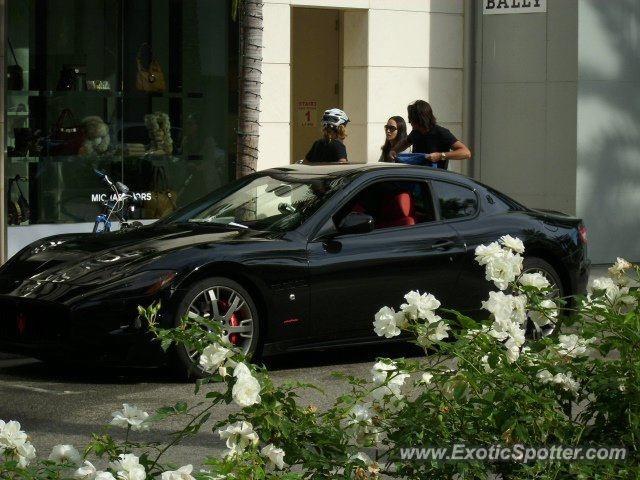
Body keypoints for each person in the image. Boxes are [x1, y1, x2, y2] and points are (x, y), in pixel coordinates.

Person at [390, 100, 471, 169]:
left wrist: (440, 156)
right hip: (419, 176)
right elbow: (405, 142)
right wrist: (394, 150)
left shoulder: (441, 133)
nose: (409, 122)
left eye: (411, 119)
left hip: (436, 179)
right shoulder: (415, 132)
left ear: (420, 119)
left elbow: (466, 153)